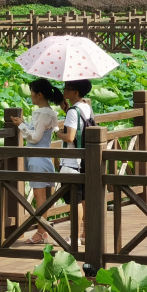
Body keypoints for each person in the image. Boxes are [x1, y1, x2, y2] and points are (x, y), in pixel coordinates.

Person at [10, 78, 63, 244]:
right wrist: (23, 123)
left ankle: (41, 232)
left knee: (40, 199)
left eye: (32, 92)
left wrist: (21, 126)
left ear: (39, 94)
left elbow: (35, 138)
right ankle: (43, 231)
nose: (30, 95)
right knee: (43, 198)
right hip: (42, 157)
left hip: (37, 159)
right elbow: (38, 132)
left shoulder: (43, 113)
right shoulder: (48, 112)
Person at [56, 79, 94, 247]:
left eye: (67, 88)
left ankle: (75, 236)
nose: (64, 90)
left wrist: (58, 133)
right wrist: (67, 110)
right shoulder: (86, 107)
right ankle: (86, 234)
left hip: (72, 162)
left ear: (75, 92)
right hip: (85, 159)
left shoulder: (73, 111)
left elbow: (70, 137)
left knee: (75, 201)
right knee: (84, 198)